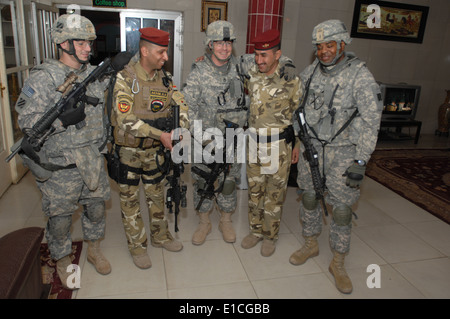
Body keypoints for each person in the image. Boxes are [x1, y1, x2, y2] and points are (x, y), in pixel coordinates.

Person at [15, 14, 112, 290]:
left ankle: (94, 249)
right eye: (80, 42)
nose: (87, 48)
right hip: (62, 167)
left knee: (95, 210)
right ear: (63, 43)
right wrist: (61, 120)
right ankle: (63, 259)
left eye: (89, 42)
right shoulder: (44, 78)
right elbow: (27, 122)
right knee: (59, 220)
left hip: (91, 159)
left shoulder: (91, 74)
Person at [289, 20, 383, 294]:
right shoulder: (310, 73)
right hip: (312, 149)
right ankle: (310, 243)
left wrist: (362, 160)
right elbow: (296, 106)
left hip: (345, 153)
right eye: (319, 47)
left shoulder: (360, 76)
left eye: (329, 45)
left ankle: (338, 262)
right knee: (308, 197)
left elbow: (371, 121)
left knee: (341, 210)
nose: (324, 52)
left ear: (342, 44)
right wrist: (297, 138)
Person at [111, 27, 189, 269]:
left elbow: (181, 106)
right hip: (129, 152)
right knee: (130, 201)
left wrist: (180, 130)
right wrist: (160, 134)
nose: (165, 57)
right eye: (161, 52)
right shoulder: (125, 79)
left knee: (157, 195)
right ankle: (137, 246)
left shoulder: (165, 79)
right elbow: (125, 120)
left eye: (166, 51)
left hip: (156, 152)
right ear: (144, 51)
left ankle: (161, 236)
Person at [182, 21, 248, 246]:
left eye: (228, 43)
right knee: (204, 183)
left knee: (229, 182)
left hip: (233, 141)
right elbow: (186, 107)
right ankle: (204, 221)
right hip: (206, 142)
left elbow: (267, 61)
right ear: (210, 44)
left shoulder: (242, 67)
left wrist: (286, 63)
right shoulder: (199, 72)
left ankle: (226, 220)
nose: (224, 48)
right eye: (219, 43)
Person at [240, 29, 302, 257]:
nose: (259, 60)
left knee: (274, 194)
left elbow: (299, 115)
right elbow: (232, 62)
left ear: (278, 55)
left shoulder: (291, 80)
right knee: (255, 191)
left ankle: (270, 235)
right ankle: (255, 231)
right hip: (254, 144)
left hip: (279, 147)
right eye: (257, 54)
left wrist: (297, 144)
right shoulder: (251, 74)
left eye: (264, 55)